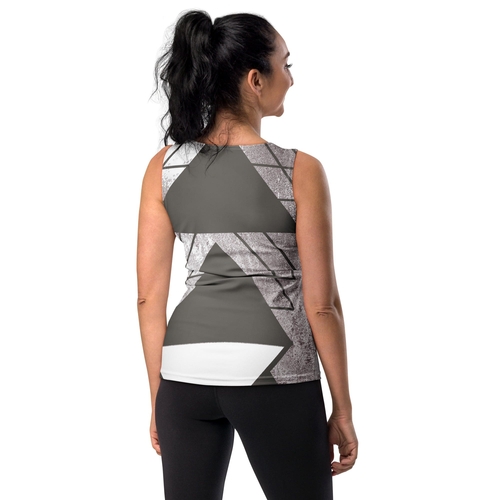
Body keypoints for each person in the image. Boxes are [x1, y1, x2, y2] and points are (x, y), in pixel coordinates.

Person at [136, 9, 358, 500]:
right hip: (276, 373)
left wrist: (160, 396)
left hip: (184, 378)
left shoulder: (163, 168)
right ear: (256, 80)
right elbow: (322, 305)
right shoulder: (299, 171)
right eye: (286, 65)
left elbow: (148, 300)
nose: (291, 79)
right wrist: (342, 408)